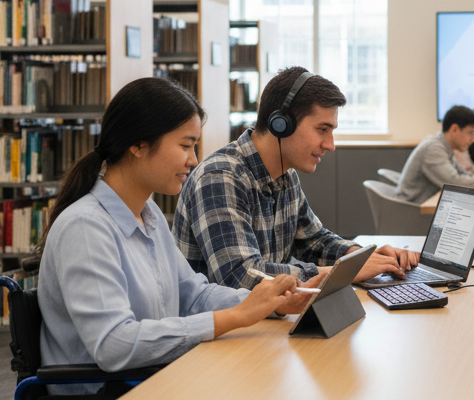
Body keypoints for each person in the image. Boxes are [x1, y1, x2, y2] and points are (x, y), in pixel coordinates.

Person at [36, 78, 322, 400]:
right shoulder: (86, 227)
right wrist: (233, 317)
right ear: (138, 145)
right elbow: (114, 345)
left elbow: (192, 294)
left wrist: (268, 302)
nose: (192, 160)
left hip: (154, 381)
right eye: (185, 146)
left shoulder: (148, 213)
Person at [174, 67, 419, 289]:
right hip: (225, 333)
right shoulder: (220, 177)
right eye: (322, 130)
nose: (330, 145)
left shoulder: (285, 174)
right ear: (282, 124)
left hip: (267, 321)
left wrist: (363, 257)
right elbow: (240, 275)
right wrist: (336, 272)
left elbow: (313, 241)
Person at [395, 105, 474, 204]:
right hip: (413, 214)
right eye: (470, 133)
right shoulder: (433, 149)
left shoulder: (444, 147)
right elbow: (454, 183)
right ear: (454, 129)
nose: (473, 139)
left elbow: (462, 174)